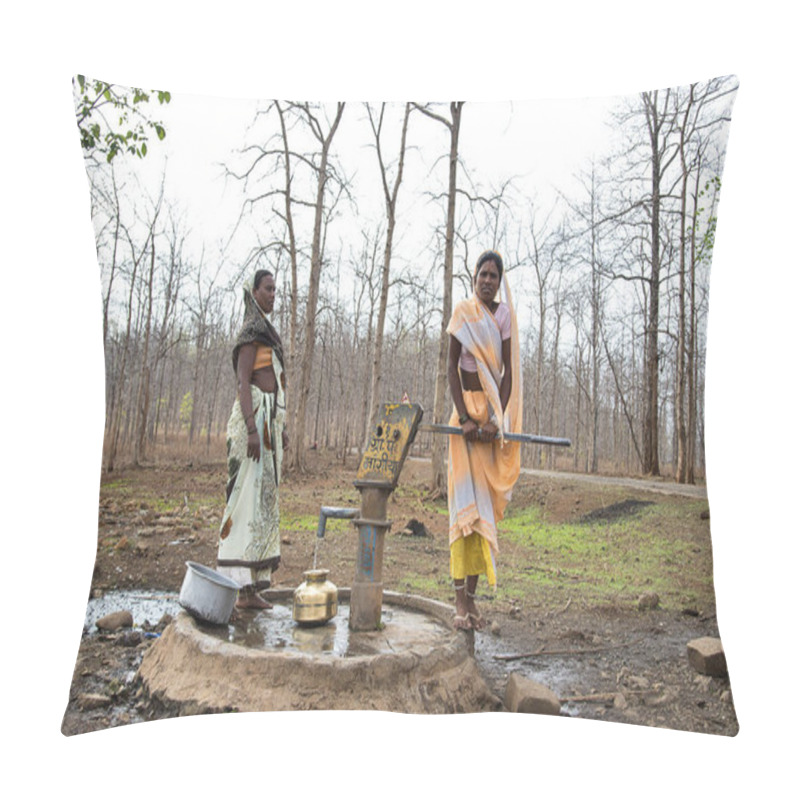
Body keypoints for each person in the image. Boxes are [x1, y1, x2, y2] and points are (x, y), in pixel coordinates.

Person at [446, 250, 522, 630]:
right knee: (465, 514)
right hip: (464, 423)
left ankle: (473, 602)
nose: (488, 280)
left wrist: (495, 419)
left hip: (490, 423)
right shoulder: (463, 313)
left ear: (499, 280)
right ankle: (458, 603)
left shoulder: (505, 317)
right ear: (473, 277)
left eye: (494, 275)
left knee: (484, 514)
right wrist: (464, 417)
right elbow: (450, 368)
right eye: (483, 274)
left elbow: (506, 374)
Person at [217, 270, 289, 610]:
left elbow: (274, 379)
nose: (274, 294)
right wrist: (250, 428)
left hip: (268, 423)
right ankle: (238, 588)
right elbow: (244, 382)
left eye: (276, 289)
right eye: (268, 289)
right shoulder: (251, 333)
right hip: (252, 423)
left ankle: (251, 589)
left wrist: (280, 427)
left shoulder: (268, 334)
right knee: (245, 503)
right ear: (254, 292)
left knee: (262, 505)